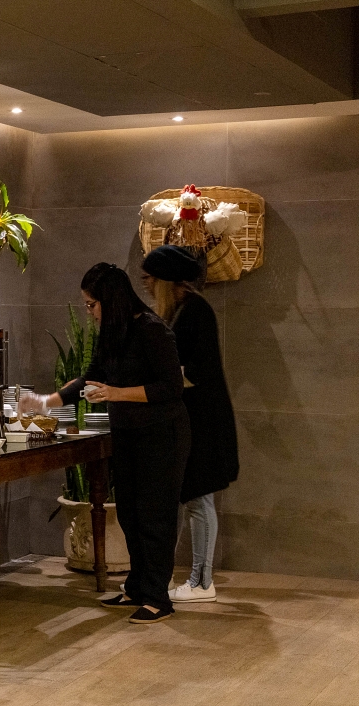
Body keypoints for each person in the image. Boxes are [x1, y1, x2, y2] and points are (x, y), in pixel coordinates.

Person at [20, 263, 189, 624]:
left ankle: (158, 598)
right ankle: (138, 588)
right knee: (129, 512)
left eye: (92, 304)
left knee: (154, 516)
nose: (89, 311)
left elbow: (170, 388)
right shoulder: (113, 332)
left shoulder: (152, 330)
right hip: (127, 433)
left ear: (110, 301)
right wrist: (47, 401)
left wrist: (116, 393)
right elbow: (91, 377)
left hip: (161, 434)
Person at [142, 245, 239, 603]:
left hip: (204, 422)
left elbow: (197, 370)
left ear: (166, 280)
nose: (146, 285)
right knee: (195, 499)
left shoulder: (195, 311)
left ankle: (202, 582)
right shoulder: (183, 311)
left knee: (200, 498)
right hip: (194, 419)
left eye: (150, 278)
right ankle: (186, 579)